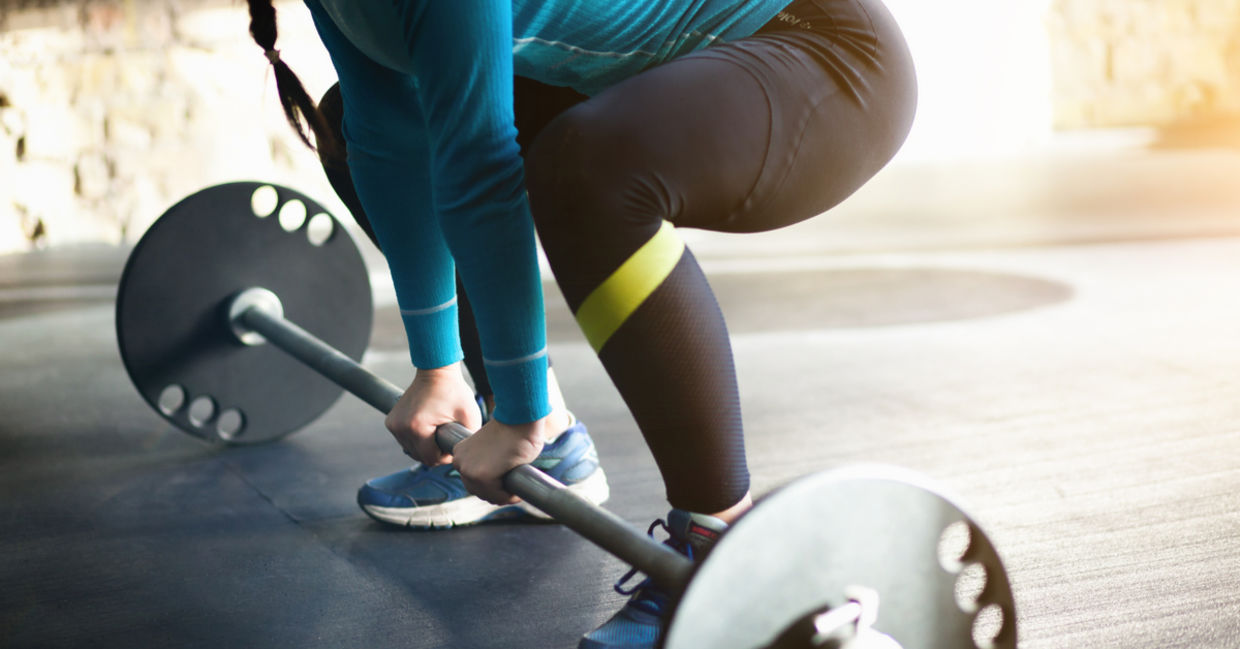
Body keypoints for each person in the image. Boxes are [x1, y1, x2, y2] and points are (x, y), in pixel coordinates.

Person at [243, 0, 917, 647]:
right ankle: (548, 441)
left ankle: (718, 536)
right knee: (349, 129)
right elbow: (388, 128)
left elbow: (478, 160)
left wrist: (519, 409)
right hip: (653, 65)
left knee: (586, 167)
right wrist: (436, 363)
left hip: (824, 53)